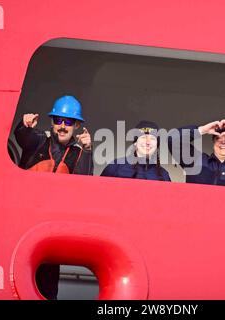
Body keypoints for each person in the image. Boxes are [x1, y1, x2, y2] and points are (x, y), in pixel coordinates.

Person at [14, 95, 93, 300]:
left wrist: (87, 151)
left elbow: (84, 183)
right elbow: (23, 138)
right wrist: (24, 126)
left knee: (48, 291)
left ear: (76, 125)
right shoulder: (39, 141)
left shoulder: (77, 154)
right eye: (58, 120)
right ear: (52, 122)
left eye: (68, 122)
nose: (62, 126)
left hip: (51, 232)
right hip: (23, 226)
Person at [100, 120, 171, 181]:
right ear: (135, 142)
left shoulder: (164, 175)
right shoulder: (116, 166)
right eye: (143, 137)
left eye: (152, 138)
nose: (148, 142)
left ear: (157, 145)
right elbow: (97, 190)